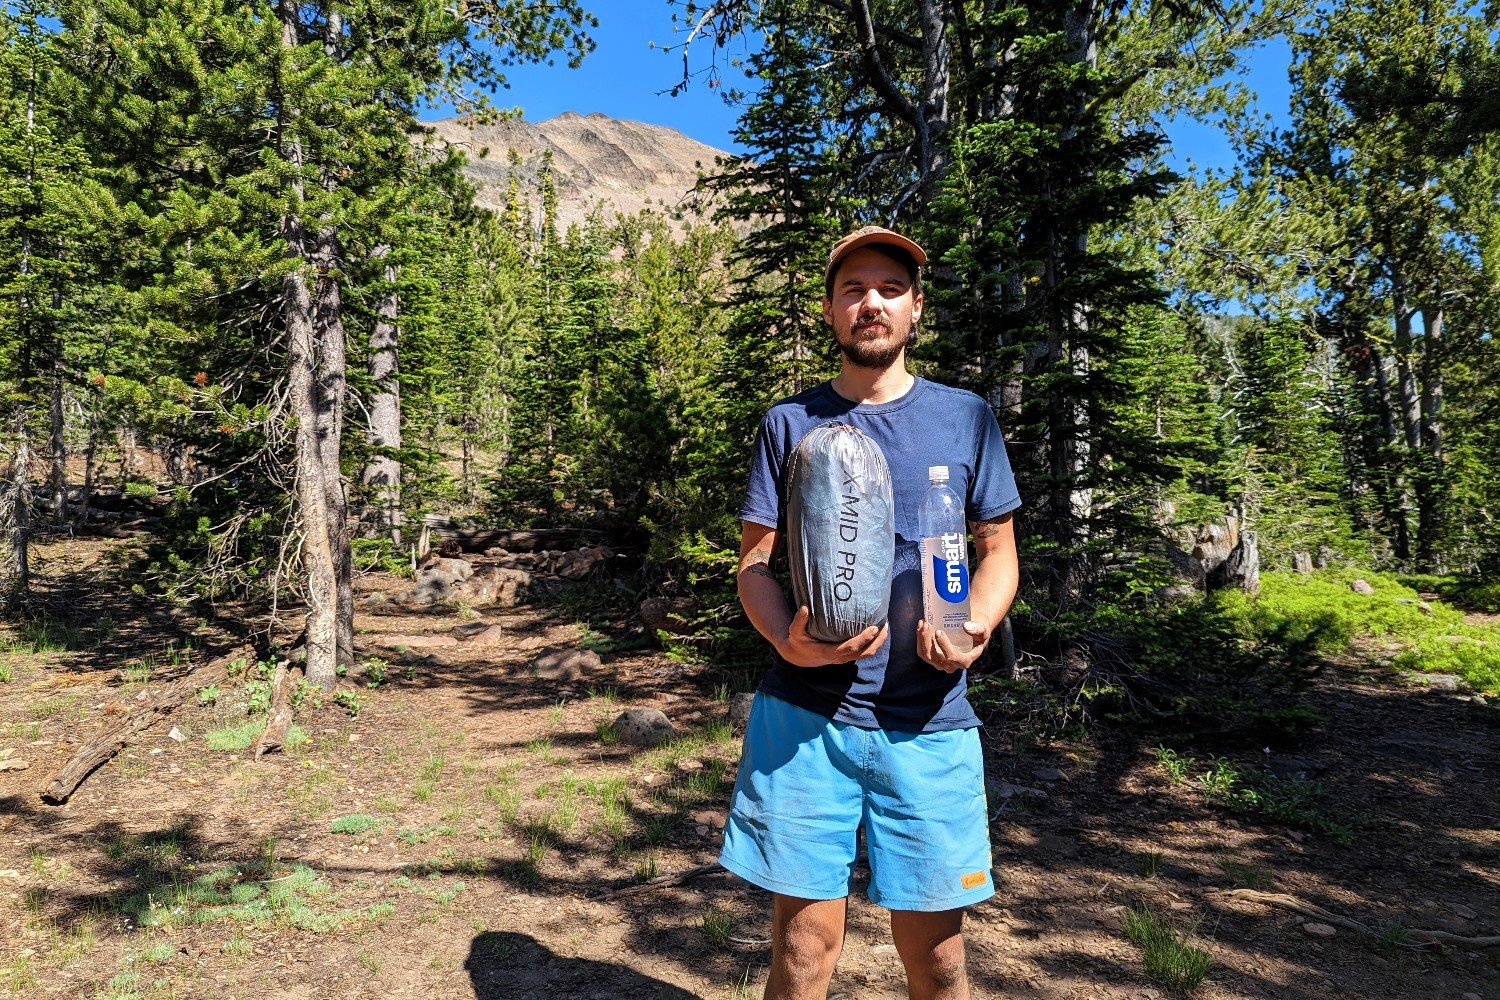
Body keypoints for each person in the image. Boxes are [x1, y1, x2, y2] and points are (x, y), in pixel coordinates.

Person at [719, 225, 1022, 1000]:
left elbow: (998, 552)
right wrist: (784, 636)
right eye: (853, 290)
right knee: (803, 951)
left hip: (931, 722)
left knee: (940, 960)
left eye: (889, 288)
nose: (871, 303)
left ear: (915, 308)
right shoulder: (791, 422)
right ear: (829, 310)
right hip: (807, 720)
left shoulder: (966, 418)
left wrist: (977, 628)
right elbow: (755, 564)